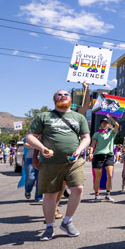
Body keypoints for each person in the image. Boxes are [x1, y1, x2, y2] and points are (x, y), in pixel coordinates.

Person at [25, 89, 90, 241]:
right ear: (54, 99)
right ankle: (49, 227)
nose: (62, 96)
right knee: (50, 195)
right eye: (59, 95)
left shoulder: (78, 117)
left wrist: (79, 151)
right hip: (50, 163)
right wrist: (42, 149)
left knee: (78, 189)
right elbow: (30, 136)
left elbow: (86, 137)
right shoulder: (44, 116)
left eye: (66, 94)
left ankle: (67, 222)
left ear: (71, 99)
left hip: (72, 161)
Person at [89, 115, 119, 202]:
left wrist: (110, 118)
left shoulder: (112, 133)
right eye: (102, 123)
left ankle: (108, 194)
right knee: (98, 176)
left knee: (109, 175)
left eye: (105, 123)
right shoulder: (97, 134)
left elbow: (117, 125)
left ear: (109, 125)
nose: (103, 124)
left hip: (109, 155)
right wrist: (91, 153)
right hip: (98, 155)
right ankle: (96, 194)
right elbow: (92, 144)